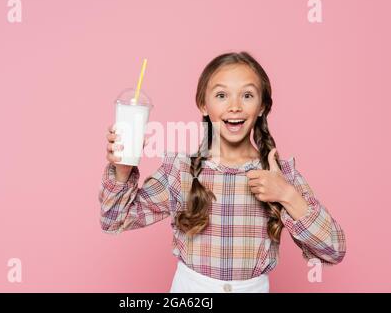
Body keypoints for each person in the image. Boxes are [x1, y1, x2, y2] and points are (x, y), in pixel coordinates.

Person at [98, 51, 346, 293]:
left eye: (247, 95)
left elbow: (333, 250)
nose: (235, 106)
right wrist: (122, 170)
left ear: (262, 107)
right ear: (203, 104)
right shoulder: (181, 171)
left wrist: (287, 196)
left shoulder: (278, 175)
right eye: (221, 95)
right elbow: (113, 221)